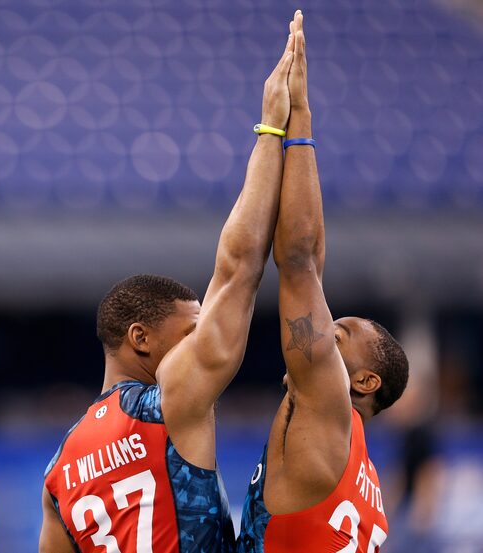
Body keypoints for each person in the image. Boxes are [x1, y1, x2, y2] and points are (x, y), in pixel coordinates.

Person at [39, 13, 301, 553]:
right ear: (141, 338)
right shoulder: (168, 402)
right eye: (191, 332)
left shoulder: (59, 468)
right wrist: (273, 129)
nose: (202, 340)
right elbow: (238, 270)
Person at [236, 11, 410, 553]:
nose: (328, 324)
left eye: (343, 332)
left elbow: (299, 262)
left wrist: (298, 119)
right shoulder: (368, 481)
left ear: (364, 382)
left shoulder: (327, 409)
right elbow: (309, 272)